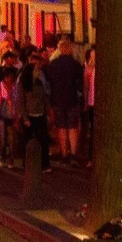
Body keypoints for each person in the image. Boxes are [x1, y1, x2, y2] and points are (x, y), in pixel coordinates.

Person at [44, 37, 84, 166]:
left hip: (57, 100)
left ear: (60, 49)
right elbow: (80, 84)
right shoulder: (76, 65)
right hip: (72, 99)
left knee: (61, 127)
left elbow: (49, 83)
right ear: (70, 49)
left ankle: (64, 154)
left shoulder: (53, 65)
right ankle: (73, 153)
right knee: (72, 127)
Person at [18, 52, 52, 173]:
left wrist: (47, 114)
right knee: (28, 141)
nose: (38, 71)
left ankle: (44, 164)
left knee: (43, 140)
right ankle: (27, 164)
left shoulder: (40, 83)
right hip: (29, 115)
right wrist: (25, 118)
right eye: (36, 69)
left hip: (40, 114)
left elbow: (45, 99)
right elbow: (21, 102)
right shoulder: (24, 84)